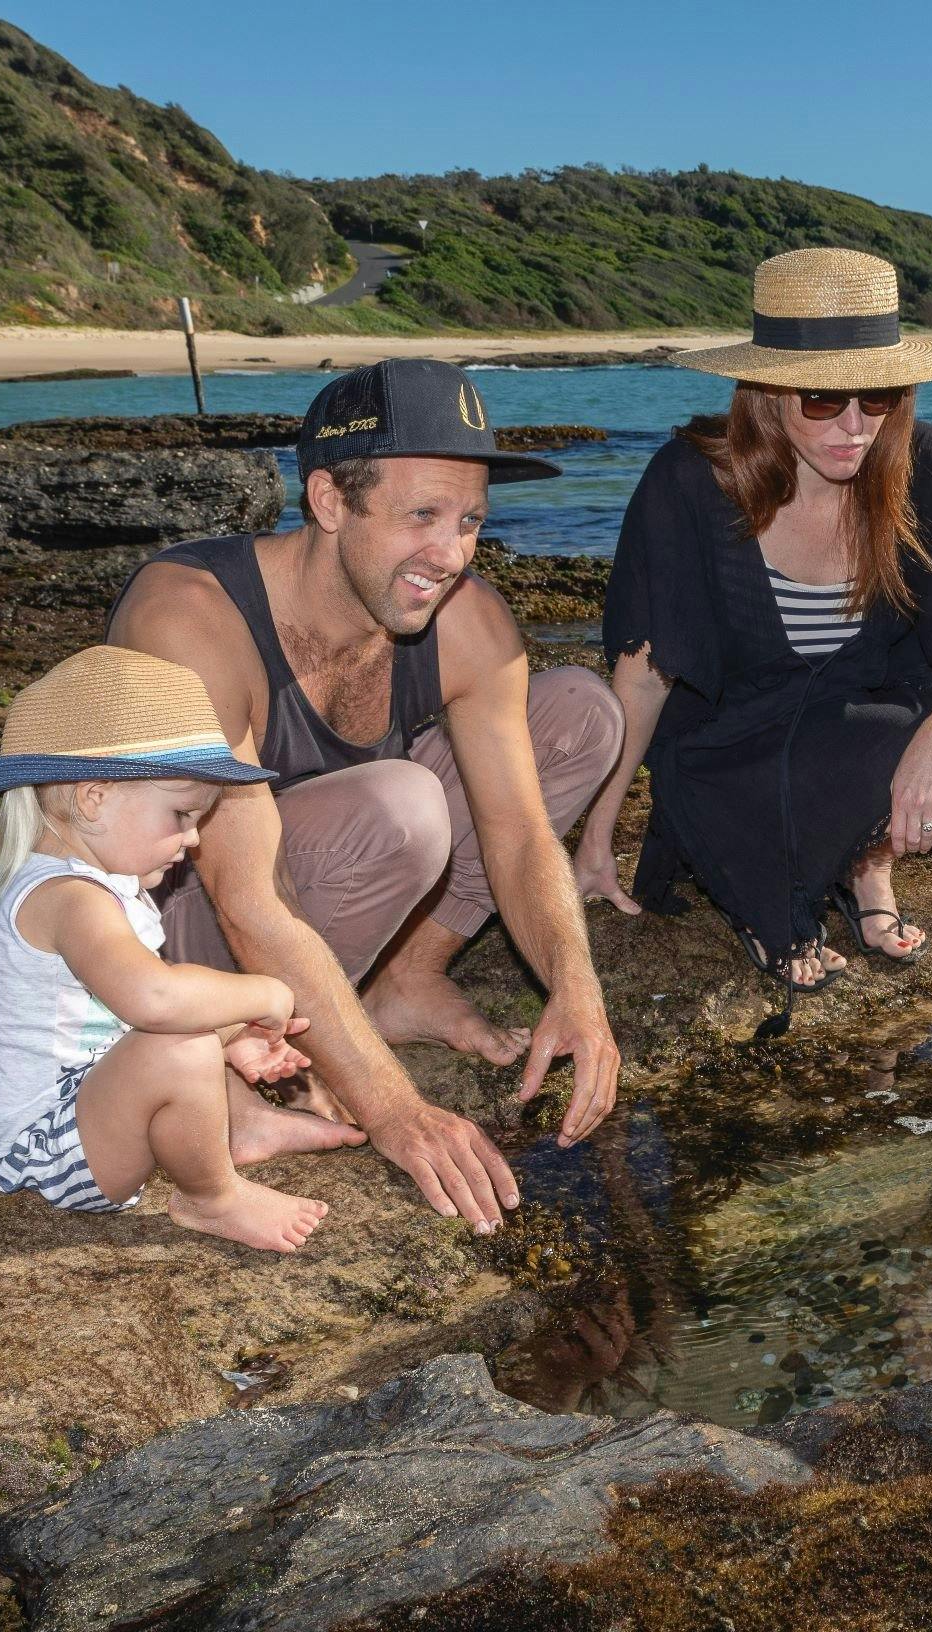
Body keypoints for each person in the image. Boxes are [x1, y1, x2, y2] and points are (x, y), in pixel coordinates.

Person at [108, 359, 626, 1235]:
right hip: (185, 929)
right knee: (402, 807)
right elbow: (248, 897)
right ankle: (263, 1053)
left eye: (468, 522)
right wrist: (393, 1108)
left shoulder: (465, 618)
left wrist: (579, 991)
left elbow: (518, 832)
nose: (451, 554)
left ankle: (398, 982)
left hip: (331, 881)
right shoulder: (192, 617)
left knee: (580, 711)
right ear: (328, 501)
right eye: (421, 516)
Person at [580, 248, 932, 1020]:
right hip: (735, 746)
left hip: (870, 717)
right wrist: (596, 835)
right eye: (821, 399)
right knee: (867, 753)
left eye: (877, 398)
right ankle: (771, 895)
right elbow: (643, 673)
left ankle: (866, 863)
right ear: (764, 392)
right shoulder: (689, 480)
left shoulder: (921, 461)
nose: (853, 426)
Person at [0, 646, 367, 1253]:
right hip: (39, 1148)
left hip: (75, 1109)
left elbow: (111, 1020)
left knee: (190, 1032)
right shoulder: (69, 897)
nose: (193, 839)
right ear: (94, 798)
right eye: (180, 814)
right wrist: (265, 993)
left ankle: (239, 1128)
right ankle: (212, 1199)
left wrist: (233, 1036)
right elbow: (153, 999)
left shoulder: (93, 886)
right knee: (179, 1036)